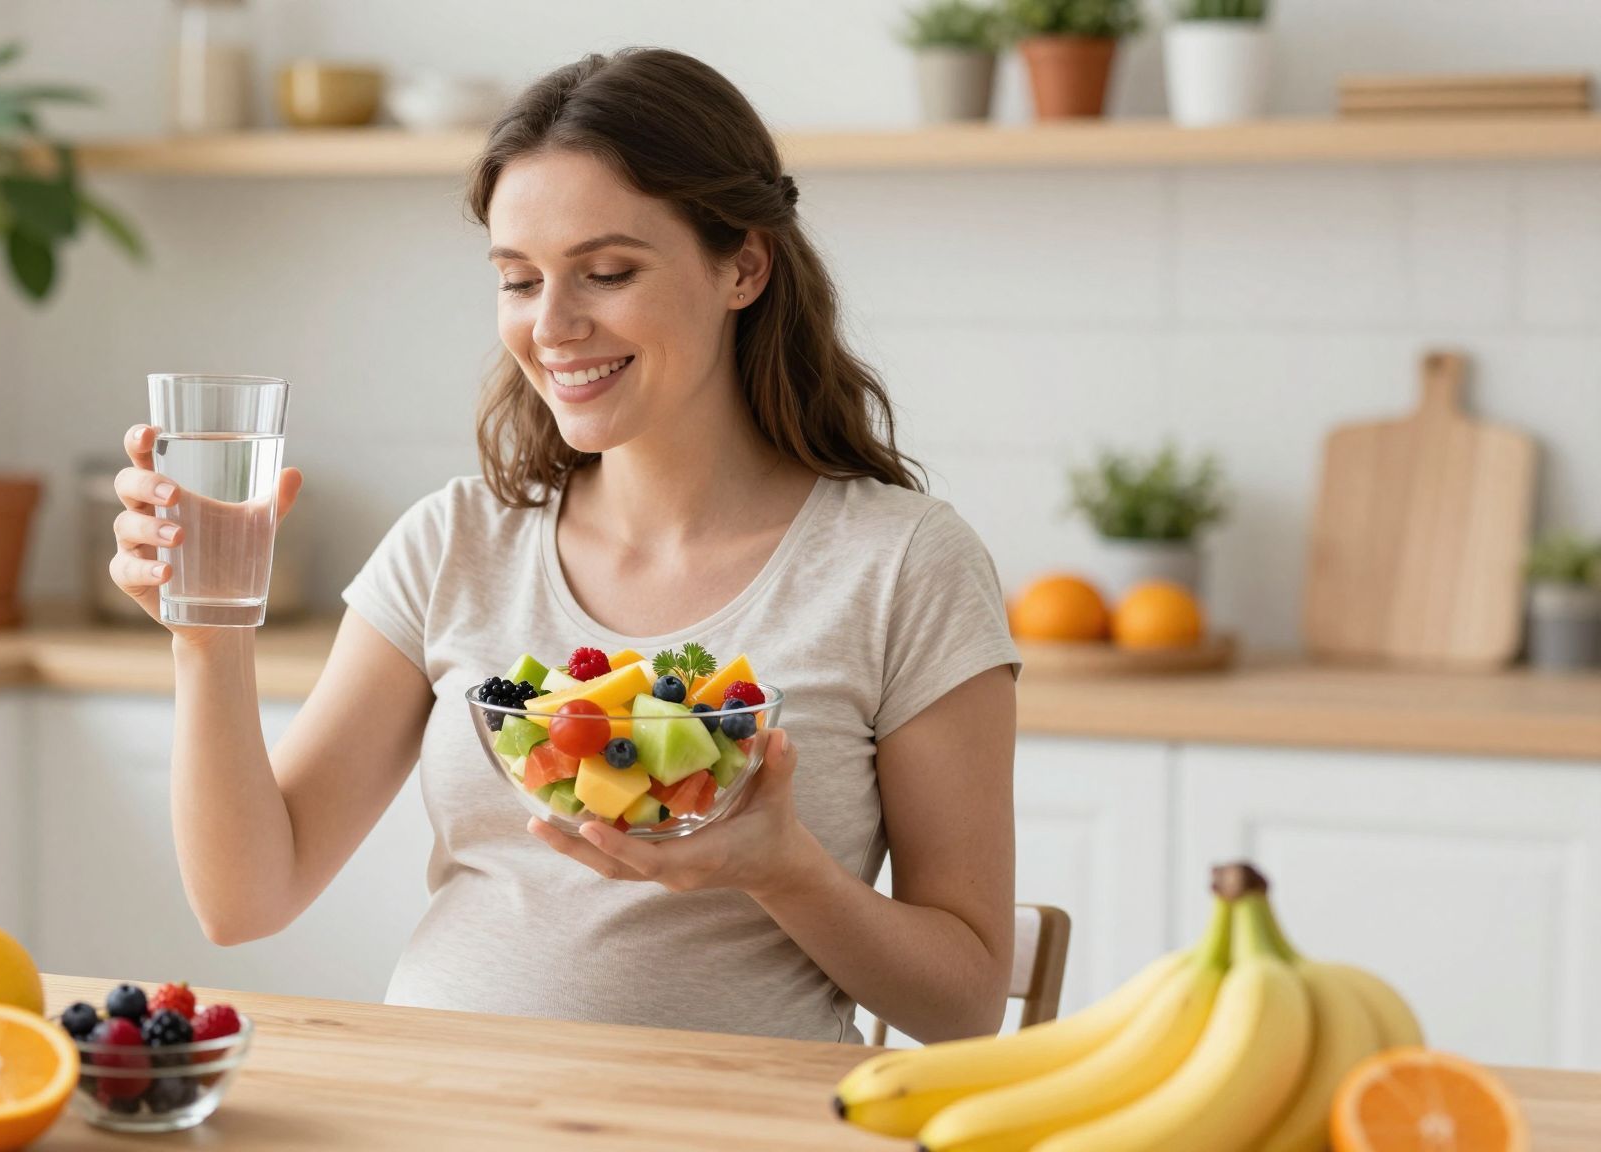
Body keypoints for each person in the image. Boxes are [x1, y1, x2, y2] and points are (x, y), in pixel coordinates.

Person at [110, 47, 1021, 1045]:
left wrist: (778, 865)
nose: (551, 326)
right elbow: (244, 899)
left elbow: (967, 1004)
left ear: (742, 267)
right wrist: (205, 632)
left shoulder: (902, 566)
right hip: (436, 1106)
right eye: (517, 279)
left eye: (607, 272)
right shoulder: (453, 541)